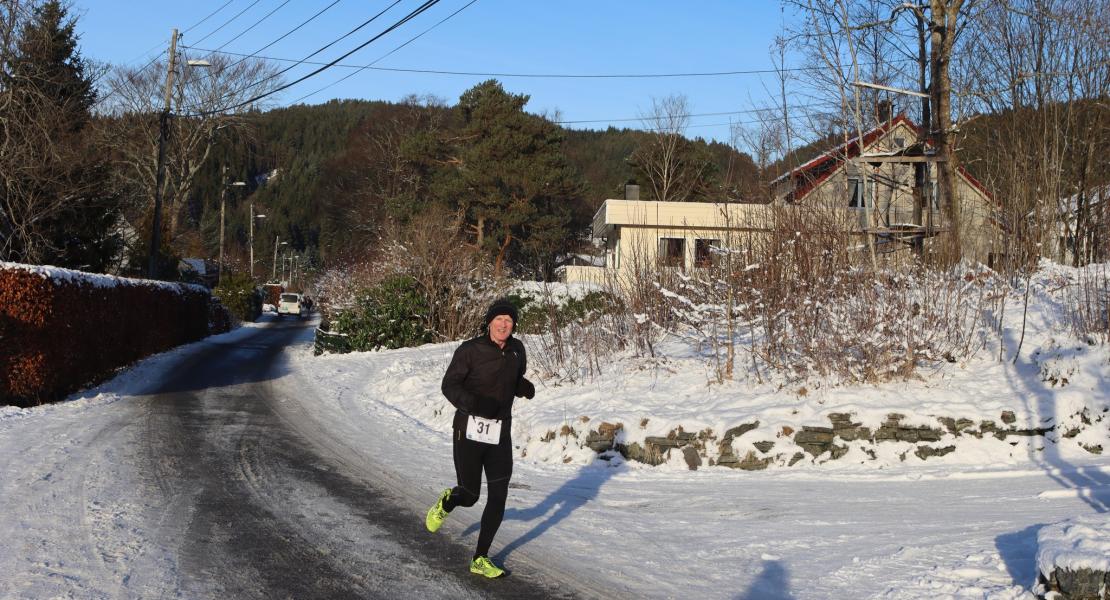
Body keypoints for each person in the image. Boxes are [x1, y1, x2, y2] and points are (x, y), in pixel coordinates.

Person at [425, 298, 536, 578]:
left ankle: (480, 558)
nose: (503, 325)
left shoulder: (517, 350)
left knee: (499, 496)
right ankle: (449, 500)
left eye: (509, 321)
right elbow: (449, 385)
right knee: (471, 496)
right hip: (470, 431)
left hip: (500, 433)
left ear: (513, 325)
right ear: (489, 322)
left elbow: (514, 376)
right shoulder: (470, 350)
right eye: (499, 319)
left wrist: (521, 386)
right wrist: (475, 404)